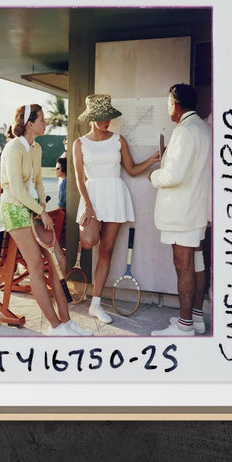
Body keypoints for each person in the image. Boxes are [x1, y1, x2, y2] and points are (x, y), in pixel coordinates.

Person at [72, 93, 158, 325]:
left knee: (107, 250)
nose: (106, 121)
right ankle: (93, 297)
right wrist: (89, 207)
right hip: (91, 196)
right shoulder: (79, 143)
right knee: (89, 241)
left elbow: (130, 169)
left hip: (115, 195)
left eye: (108, 117)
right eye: (101, 117)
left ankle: (96, 304)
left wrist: (153, 159)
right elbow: (79, 179)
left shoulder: (118, 140)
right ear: (91, 118)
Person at [0, 102, 84, 336]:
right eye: (42, 120)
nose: (45, 123)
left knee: (59, 260)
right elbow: (16, 189)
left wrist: (41, 205)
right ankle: (55, 327)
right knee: (36, 266)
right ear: (30, 123)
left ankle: (66, 321)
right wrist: (41, 211)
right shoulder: (12, 148)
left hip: (35, 210)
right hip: (15, 211)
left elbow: (37, 181)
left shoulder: (35, 148)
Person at [142, 83, 211, 336]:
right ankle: (195, 319)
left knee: (184, 266)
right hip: (196, 210)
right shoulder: (203, 128)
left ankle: (184, 327)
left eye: (168, 103)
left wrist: (153, 176)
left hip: (182, 212)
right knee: (197, 262)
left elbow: (174, 175)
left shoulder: (185, 131)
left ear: (176, 104)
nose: (168, 108)